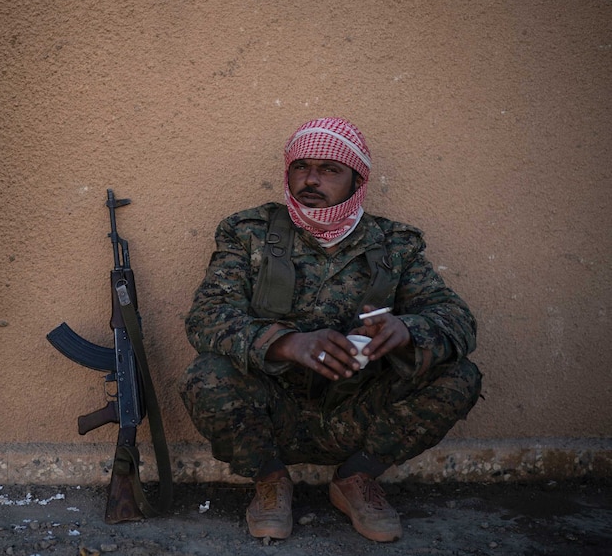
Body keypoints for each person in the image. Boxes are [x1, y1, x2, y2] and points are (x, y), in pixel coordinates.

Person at [179, 117, 482, 543]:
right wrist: (285, 344)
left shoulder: (395, 245)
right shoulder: (249, 233)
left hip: (358, 408)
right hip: (272, 406)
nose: (312, 180)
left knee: (459, 375)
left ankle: (356, 479)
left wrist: (407, 330)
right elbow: (207, 315)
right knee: (205, 375)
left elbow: (456, 318)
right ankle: (270, 481)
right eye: (301, 167)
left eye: (329, 169)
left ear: (357, 180)